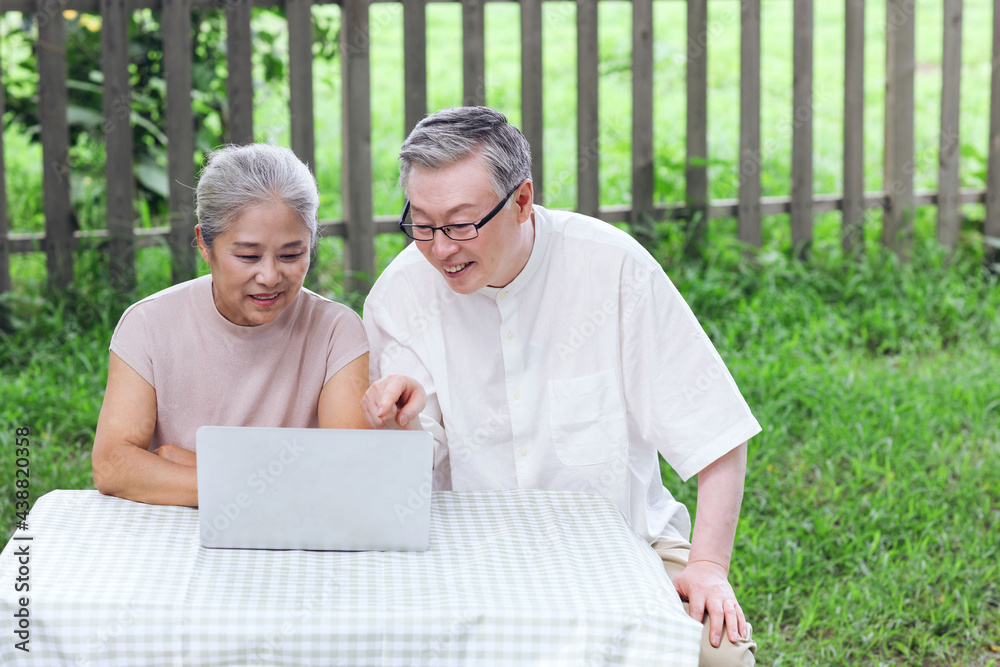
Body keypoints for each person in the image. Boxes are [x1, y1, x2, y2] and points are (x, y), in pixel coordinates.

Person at [362, 107, 761, 666]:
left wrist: (708, 567)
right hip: (468, 557)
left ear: (522, 200)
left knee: (720, 657)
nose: (440, 247)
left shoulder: (614, 268)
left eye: (460, 223)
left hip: (628, 546)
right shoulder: (399, 295)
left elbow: (715, 433)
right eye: (422, 224)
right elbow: (413, 468)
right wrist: (398, 422)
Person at [92, 144, 370, 507]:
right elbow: (114, 466)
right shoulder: (148, 324)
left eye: (291, 254)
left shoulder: (337, 331)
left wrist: (198, 467)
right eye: (248, 256)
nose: (270, 276)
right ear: (204, 245)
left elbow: (349, 470)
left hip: (295, 539)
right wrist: (261, 486)